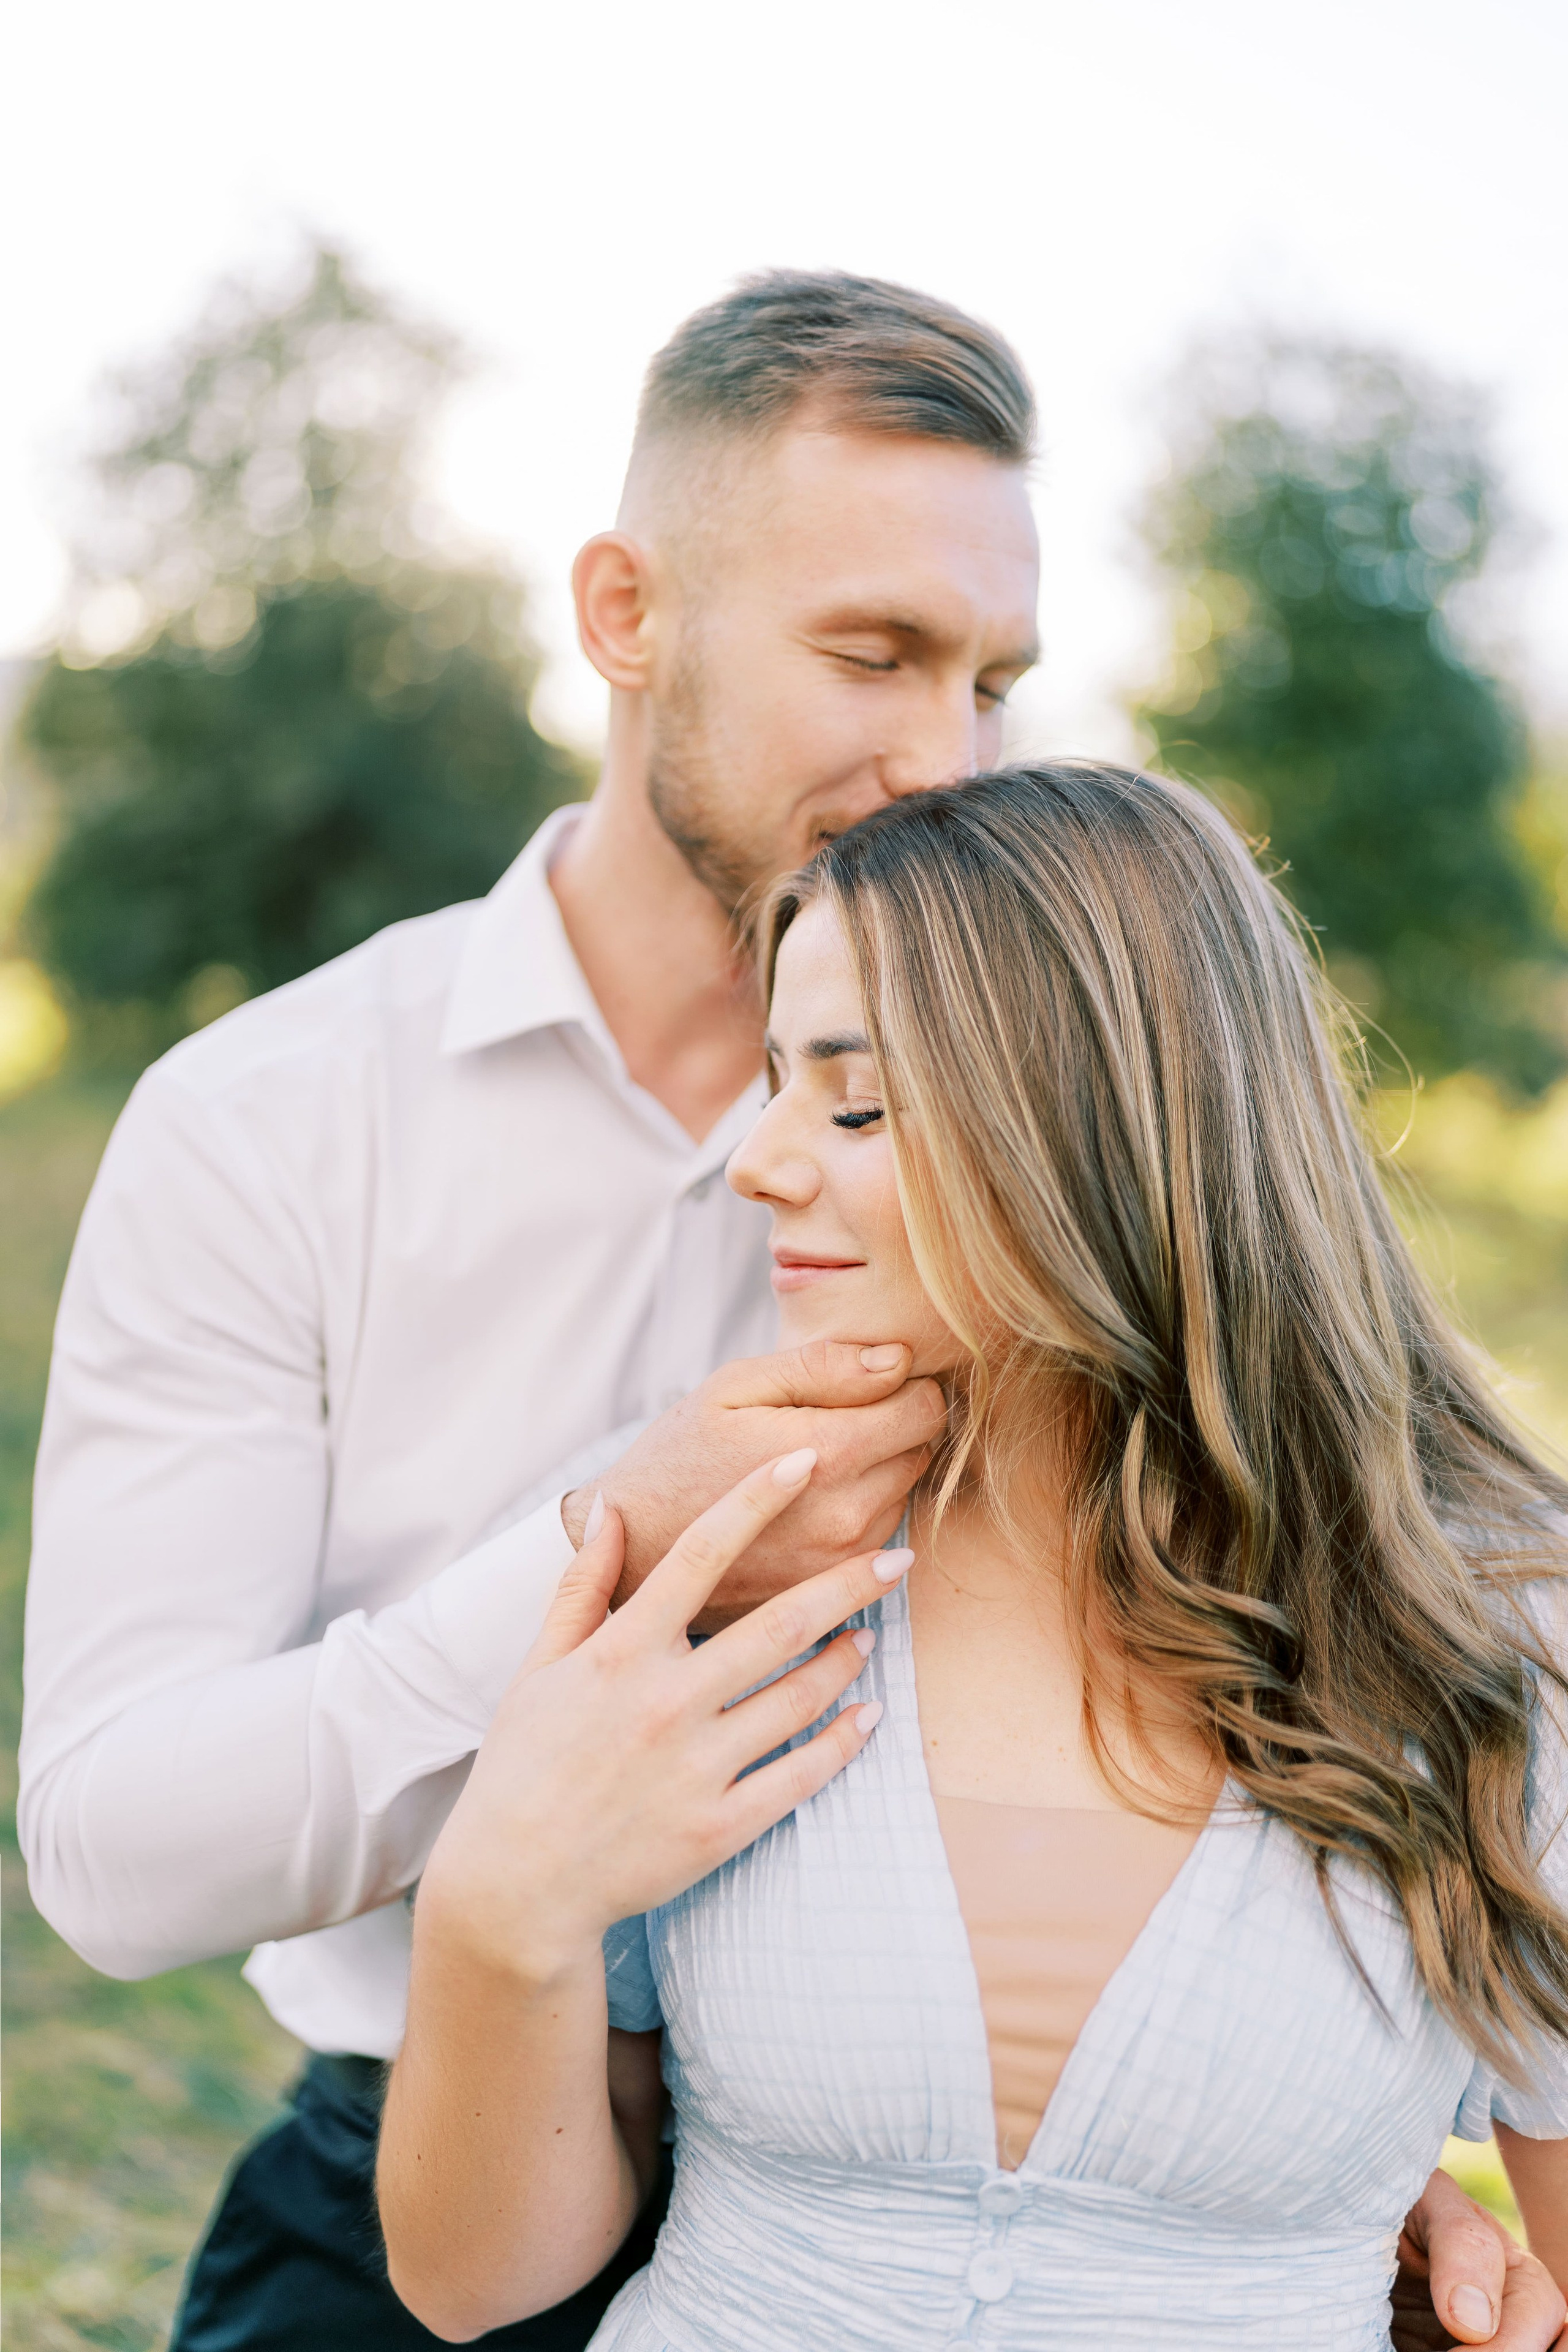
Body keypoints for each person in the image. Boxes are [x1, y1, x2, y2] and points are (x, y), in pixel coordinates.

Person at [18, 271, 1546, 2350]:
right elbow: (111, 1858)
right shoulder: (276, 1122)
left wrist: (1334, 2159)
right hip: (443, 2167)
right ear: (629, 614)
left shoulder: (1051, 1096)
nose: (950, 753)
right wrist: (605, 1570)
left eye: (999, 674)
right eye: (875, 656)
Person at [379, 764, 1568, 2350]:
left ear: (1101, 1129)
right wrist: (497, 1900)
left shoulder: (1501, 1619)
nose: (760, 1160)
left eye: (852, 1101)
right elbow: (474, 2280)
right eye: (775, 1083)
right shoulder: (730, 1570)